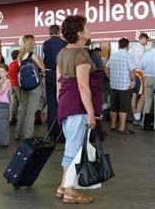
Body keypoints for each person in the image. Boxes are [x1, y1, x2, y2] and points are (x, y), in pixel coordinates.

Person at [56, 15, 96, 204]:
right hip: (76, 105)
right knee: (75, 148)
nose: (90, 28)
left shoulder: (62, 53)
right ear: (80, 33)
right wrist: (91, 112)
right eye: (86, 26)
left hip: (64, 104)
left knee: (71, 145)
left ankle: (63, 185)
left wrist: (61, 103)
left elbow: (59, 83)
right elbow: (83, 86)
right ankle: (70, 190)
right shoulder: (81, 55)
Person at [15, 35, 45, 140]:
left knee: (23, 109)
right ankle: (28, 135)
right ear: (31, 43)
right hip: (34, 86)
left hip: (23, 86)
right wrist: (41, 63)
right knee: (31, 111)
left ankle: (17, 133)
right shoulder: (32, 55)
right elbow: (42, 69)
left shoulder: (20, 56)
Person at [105, 38, 136, 134]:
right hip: (124, 86)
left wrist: (110, 77)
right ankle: (122, 127)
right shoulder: (128, 56)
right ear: (127, 45)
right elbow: (132, 70)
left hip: (114, 85)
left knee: (113, 106)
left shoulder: (113, 55)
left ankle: (113, 125)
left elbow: (106, 68)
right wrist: (133, 80)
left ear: (119, 45)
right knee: (124, 107)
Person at [43, 25, 67, 140]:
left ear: (49, 32)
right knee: (61, 101)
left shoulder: (46, 44)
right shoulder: (63, 44)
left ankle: (52, 131)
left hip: (48, 74)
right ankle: (61, 131)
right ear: (59, 32)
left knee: (51, 103)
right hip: (60, 74)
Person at [8, 50, 20, 125]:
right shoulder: (18, 64)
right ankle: (21, 118)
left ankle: (12, 117)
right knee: (21, 101)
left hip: (11, 84)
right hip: (17, 84)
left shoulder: (10, 64)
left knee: (14, 102)